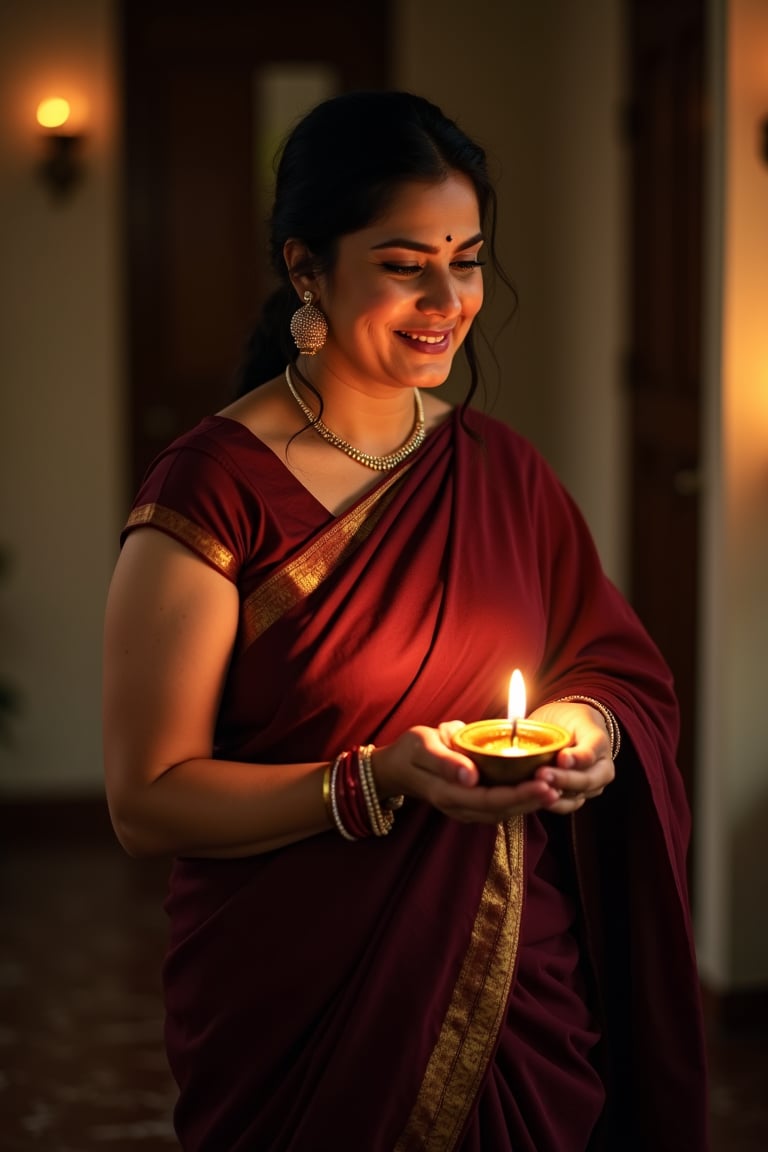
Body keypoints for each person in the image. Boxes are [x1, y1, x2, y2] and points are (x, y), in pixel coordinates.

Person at [102, 90, 709, 1151]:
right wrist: (375, 780)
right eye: (402, 262)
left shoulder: (499, 467)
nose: (446, 297)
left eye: (466, 258)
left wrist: (586, 738)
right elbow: (146, 802)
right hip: (302, 992)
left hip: (517, 973)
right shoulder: (214, 490)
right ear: (306, 269)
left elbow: (613, 672)